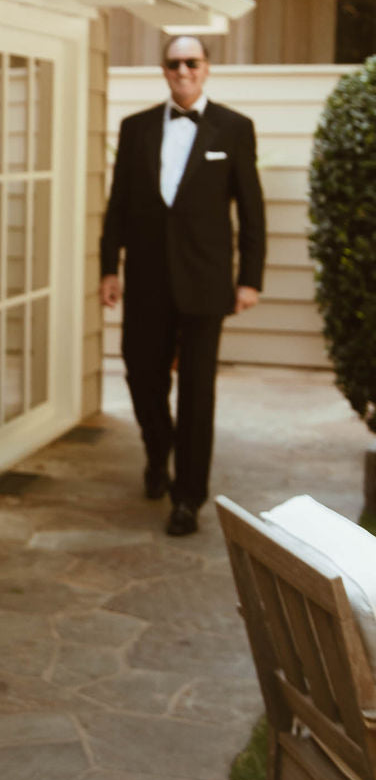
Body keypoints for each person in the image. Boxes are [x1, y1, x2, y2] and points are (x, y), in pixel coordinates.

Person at [99, 34, 265, 536]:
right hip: (147, 280)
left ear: (207, 68)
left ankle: (187, 496)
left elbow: (251, 209)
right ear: (165, 71)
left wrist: (249, 279)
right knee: (141, 375)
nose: (183, 71)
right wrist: (110, 267)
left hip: (206, 282)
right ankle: (158, 449)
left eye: (192, 62)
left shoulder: (234, 129)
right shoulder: (137, 128)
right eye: (174, 63)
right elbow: (119, 205)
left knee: (197, 391)